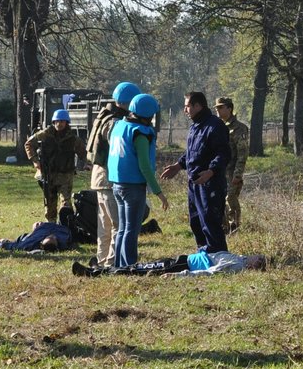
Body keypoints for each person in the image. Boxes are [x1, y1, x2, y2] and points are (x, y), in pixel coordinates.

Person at [161, 91, 230, 254]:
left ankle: (219, 257)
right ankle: (204, 254)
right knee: (196, 221)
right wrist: (178, 165)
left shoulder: (215, 126)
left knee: (210, 221)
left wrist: (211, 171)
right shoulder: (195, 127)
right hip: (194, 184)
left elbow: (224, 154)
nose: (185, 110)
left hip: (210, 184)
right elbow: (193, 153)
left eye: (187, 106)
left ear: (198, 106)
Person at [107, 93, 169, 268]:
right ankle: (129, 266)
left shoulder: (119, 126)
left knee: (122, 229)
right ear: (148, 114)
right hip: (133, 187)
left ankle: (119, 264)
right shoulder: (140, 133)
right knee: (131, 230)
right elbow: (144, 166)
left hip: (117, 184)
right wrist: (159, 192)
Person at [86, 83, 137, 269]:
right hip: (110, 177)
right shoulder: (115, 121)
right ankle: (111, 263)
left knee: (104, 226)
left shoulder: (104, 115)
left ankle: (101, 261)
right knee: (117, 224)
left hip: (99, 177)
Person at [25, 108, 85, 224]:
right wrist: (35, 161)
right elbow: (28, 144)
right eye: (57, 121)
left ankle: (66, 226)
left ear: (67, 123)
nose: (59, 124)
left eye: (62, 121)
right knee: (50, 203)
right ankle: (51, 226)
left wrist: (88, 164)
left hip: (66, 175)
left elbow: (83, 153)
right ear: (53, 122)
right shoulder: (44, 134)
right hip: (49, 174)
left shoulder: (73, 138)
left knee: (66, 204)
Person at [74, 250, 267, 277]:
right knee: (141, 265)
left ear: (255, 264)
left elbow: (210, 272)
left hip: (183, 267)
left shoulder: (236, 265)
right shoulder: (238, 258)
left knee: (138, 270)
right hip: (183, 260)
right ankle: (101, 269)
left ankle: (95, 274)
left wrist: (180, 275)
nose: (255, 255)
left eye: (258, 258)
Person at [216, 96, 250, 234]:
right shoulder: (217, 127)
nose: (218, 110)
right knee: (219, 200)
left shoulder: (239, 128)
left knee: (230, 198)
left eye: (221, 107)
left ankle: (234, 226)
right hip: (219, 171)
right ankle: (224, 228)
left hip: (231, 171)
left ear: (229, 108)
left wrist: (238, 174)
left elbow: (242, 153)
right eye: (216, 108)